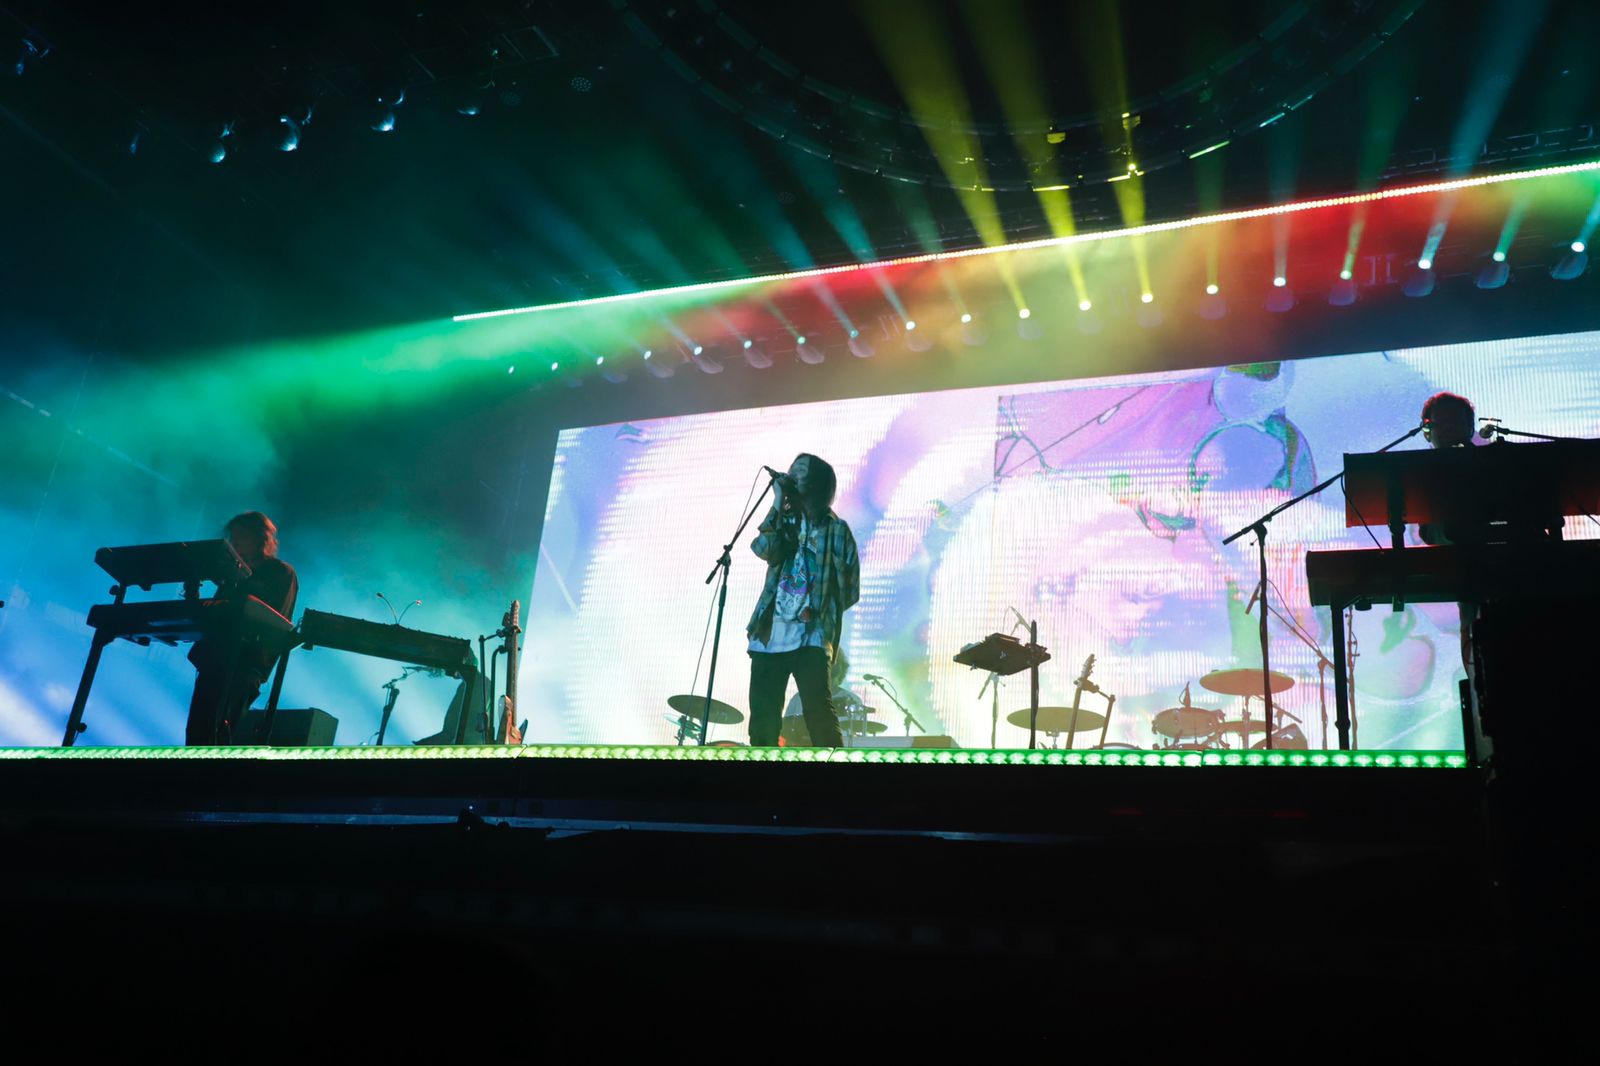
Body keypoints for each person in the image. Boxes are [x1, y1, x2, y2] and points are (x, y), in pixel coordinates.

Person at [747, 454, 858, 747]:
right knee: (762, 721)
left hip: (811, 637)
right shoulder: (786, 521)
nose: (792, 476)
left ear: (818, 484)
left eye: (800, 473)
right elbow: (763, 548)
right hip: (770, 633)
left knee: (819, 715)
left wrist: (821, 611)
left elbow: (850, 588)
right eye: (791, 472)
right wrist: (777, 503)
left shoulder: (837, 530)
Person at [186, 511, 298, 745]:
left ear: (261, 539)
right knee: (198, 733)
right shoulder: (231, 573)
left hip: (245, 664)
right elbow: (215, 612)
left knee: (221, 733)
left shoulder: (281, 572)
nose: (234, 542)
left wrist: (236, 603)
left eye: (241, 536)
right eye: (232, 537)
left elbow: (276, 621)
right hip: (214, 659)